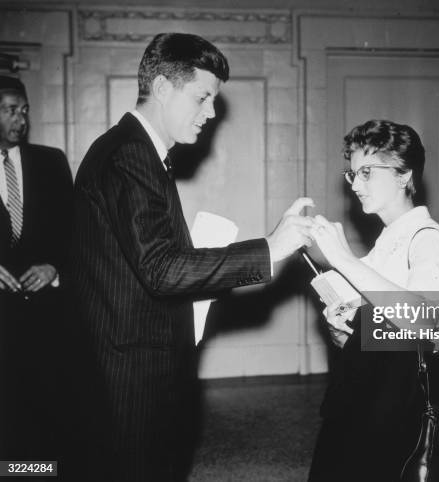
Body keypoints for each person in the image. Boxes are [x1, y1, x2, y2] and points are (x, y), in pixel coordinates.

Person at [67, 33, 313, 482]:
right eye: (202, 97)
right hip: (131, 371)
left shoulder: (140, 152)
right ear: (162, 88)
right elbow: (161, 270)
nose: (212, 112)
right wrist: (270, 247)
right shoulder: (130, 156)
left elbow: (146, 262)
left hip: (133, 358)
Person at [307, 119, 439, 481]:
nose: (356, 185)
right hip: (373, 397)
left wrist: (343, 259)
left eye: (366, 173)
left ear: (404, 175)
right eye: (352, 174)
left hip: (399, 408)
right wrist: (342, 328)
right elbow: (378, 331)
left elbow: (425, 322)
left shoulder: (426, 239)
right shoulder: (389, 240)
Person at [0, 76, 73, 460]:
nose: (21, 119)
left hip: (44, 312)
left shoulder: (51, 161)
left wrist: (54, 267)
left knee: (46, 409)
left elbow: (74, 230)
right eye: (10, 109)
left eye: (24, 109)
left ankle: (41, 472)